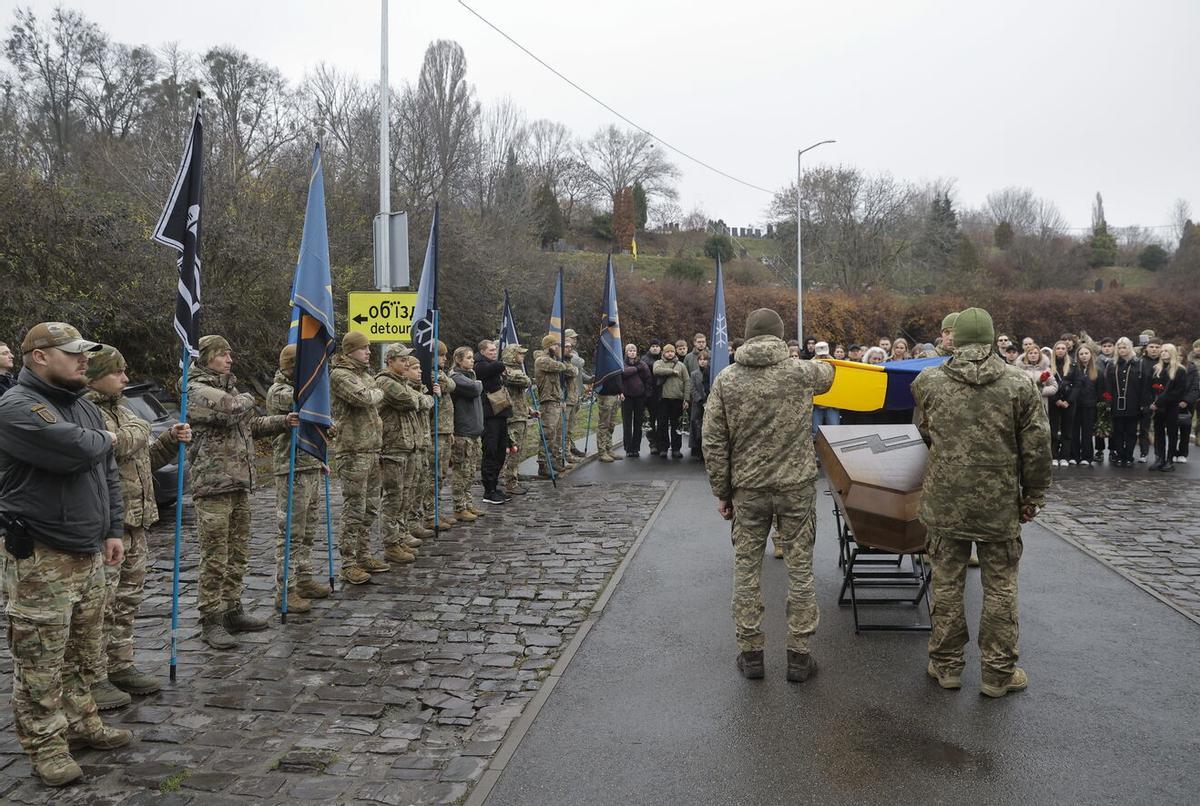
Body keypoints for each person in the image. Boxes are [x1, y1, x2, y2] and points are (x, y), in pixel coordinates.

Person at [0, 322, 131, 786]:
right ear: (39, 356)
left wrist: (113, 528)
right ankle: (46, 745)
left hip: (89, 548)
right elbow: (73, 450)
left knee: (84, 651)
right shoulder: (17, 407)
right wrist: (109, 439)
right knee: (40, 660)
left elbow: (108, 473)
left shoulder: (81, 405)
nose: (83, 361)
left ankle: (83, 720)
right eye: (73, 353)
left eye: (84, 354)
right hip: (41, 554)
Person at [911, 307, 1051, 698]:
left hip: (945, 502)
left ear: (954, 338)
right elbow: (1037, 447)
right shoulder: (1018, 385)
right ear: (992, 340)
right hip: (999, 503)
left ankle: (946, 665)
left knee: (947, 584)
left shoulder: (929, 382)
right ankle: (998, 673)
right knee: (1001, 588)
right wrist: (1033, 495)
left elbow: (926, 432)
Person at [703, 308, 834, 682]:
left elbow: (712, 440)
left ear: (746, 335)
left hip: (749, 489)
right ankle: (799, 655)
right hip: (796, 486)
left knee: (746, 568)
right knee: (801, 569)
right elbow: (828, 373)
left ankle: (751, 653)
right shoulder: (800, 372)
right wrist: (819, 356)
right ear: (780, 336)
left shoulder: (727, 379)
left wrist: (722, 491)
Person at [85, 346, 190, 706]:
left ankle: (120, 663)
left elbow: (143, 457)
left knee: (128, 600)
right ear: (95, 375)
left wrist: (167, 441)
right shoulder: (88, 411)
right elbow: (113, 448)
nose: (126, 379)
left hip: (137, 520)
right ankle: (94, 674)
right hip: (108, 524)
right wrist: (142, 431)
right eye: (118, 373)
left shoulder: (124, 410)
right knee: (102, 604)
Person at [187, 335, 293, 646]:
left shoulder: (226, 388)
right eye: (222, 354)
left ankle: (232, 608)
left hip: (238, 483)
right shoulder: (194, 391)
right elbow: (233, 410)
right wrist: (246, 398)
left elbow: (250, 425)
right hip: (213, 486)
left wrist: (283, 421)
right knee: (215, 557)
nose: (229, 359)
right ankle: (211, 618)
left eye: (230, 353)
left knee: (238, 553)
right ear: (206, 358)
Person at [267, 345, 334, 616]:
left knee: (308, 530)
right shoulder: (280, 391)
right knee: (291, 532)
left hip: (311, 464)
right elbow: (304, 403)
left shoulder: (307, 386)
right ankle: (286, 589)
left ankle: (304, 577)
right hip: (291, 467)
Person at [330, 331, 388, 586]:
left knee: (370, 507)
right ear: (349, 351)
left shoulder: (365, 375)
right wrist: (376, 390)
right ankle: (348, 563)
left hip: (372, 448)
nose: (368, 352)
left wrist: (374, 389)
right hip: (353, 450)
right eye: (363, 348)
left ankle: (364, 555)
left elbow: (372, 393)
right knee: (354, 508)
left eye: (368, 348)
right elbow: (364, 397)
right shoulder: (340, 375)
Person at [374, 343, 423, 565]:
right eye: (402, 360)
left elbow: (418, 400)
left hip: (408, 444)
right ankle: (391, 543)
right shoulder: (385, 382)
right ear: (390, 361)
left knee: (406, 495)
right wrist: (418, 397)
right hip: (393, 446)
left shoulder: (401, 382)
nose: (405, 363)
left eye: (407, 360)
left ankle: (400, 535)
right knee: (393, 497)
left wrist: (418, 397)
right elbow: (409, 401)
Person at [449, 346, 488, 514]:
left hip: (475, 431)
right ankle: (459, 506)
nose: (473, 360)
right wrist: (478, 383)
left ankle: (468, 502)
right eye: (469, 358)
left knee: (471, 472)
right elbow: (475, 389)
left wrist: (476, 382)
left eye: (472, 357)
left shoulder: (471, 375)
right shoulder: (456, 377)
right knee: (461, 472)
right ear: (459, 360)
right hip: (463, 432)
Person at [474, 339, 511, 503]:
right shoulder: (480, 365)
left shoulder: (493, 365)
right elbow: (493, 368)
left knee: (501, 451)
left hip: (500, 412)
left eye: (495, 350)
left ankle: (495, 486)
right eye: (490, 350)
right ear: (482, 352)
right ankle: (489, 490)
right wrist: (502, 364)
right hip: (489, 415)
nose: (494, 352)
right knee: (490, 451)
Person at [424, 341, 456, 530]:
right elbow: (450, 385)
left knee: (441, 474)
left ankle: (436, 510)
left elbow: (450, 385)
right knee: (433, 475)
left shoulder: (440, 373)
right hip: (434, 430)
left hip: (444, 429)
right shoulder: (432, 374)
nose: (445, 359)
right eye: (441, 355)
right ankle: (429, 513)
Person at [500, 344, 536, 495]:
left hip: (520, 413)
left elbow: (518, 396)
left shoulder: (516, 371)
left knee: (519, 449)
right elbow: (526, 382)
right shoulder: (508, 371)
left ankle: (513, 475)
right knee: (514, 449)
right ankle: (509, 481)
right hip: (513, 417)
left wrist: (529, 410)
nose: (522, 356)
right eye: (519, 354)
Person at [1148, 343, 1189, 472]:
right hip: (1158, 408)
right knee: (1158, 433)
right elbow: (1150, 387)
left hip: (1172, 407)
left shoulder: (1180, 370)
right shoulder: (1156, 369)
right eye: (1162, 350)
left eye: (1166, 351)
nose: (1163, 353)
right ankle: (1159, 458)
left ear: (1172, 353)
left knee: (1172, 434)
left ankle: (1170, 460)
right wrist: (1152, 402)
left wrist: (1159, 402)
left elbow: (1178, 392)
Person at [1104, 337, 1144, 467]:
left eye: (1124, 347)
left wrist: (1143, 403)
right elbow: (1108, 385)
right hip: (1116, 402)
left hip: (1133, 402)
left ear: (1130, 348)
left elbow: (1143, 385)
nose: (1122, 350)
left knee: (1131, 431)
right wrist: (1108, 402)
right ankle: (1120, 454)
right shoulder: (1112, 364)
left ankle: (1129, 455)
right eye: (1119, 348)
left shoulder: (1138, 363)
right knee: (1118, 430)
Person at [534, 335, 568, 475]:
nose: (557, 348)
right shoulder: (542, 360)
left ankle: (552, 461)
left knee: (555, 434)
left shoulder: (551, 359)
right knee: (547, 434)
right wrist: (561, 359)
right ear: (549, 346)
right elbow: (561, 366)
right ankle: (543, 464)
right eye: (555, 345)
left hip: (555, 401)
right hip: (547, 402)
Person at [653, 342, 691, 459]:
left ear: (675, 353)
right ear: (663, 353)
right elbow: (656, 371)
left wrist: (686, 399)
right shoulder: (658, 363)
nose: (670, 354)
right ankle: (663, 448)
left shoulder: (681, 365)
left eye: (672, 352)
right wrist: (671, 372)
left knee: (676, 425)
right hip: (663, 399)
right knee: (662, 425)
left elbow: (687, 382)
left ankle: (676, 449)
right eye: (667, 352)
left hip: (677, 399)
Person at [1068, 345, 1099, 466]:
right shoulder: (1074, 369)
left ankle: (1087, 456)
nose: (1084, 356)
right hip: (1076, 404)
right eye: (1081, 354)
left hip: (1090, 405)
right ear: (1078, 356)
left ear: (1091, 354)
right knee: (1074, 431)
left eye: (1086, 353)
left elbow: (1100, 388)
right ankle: (1074, 455)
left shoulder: (1097, 369)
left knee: (1087, 432)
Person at [1048, 341, 1077, 466]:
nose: (1060, 350)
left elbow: (1078, 384)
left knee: (1067, 430)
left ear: (1066, 350)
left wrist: (1068, 401)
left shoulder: (1073, 365)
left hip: (1069, 401)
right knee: (1053, 429)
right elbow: (1047, 384)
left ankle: (1065, 455)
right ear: (1054, 350)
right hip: (1054, 401)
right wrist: (1056, 400)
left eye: (1063, 348)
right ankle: (1054, 455)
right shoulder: (1049, 365)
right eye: (1058, 348)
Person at [620, 343, 650, 457]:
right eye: (630, 350)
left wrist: (646, 394)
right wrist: (636, 368)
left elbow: (648, 379)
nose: (632, 352)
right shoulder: (622, 364)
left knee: (638, 423)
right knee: (627, 423)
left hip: (639, 397)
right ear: (626, 352)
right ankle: (628, 448)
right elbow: (623, 374)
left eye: (634, 350)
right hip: (626, 397)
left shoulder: (643, 364)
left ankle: (636, 448)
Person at [564, 330, 590, 459]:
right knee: (567, 423)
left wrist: (589, 378)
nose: (575, 340)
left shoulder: (574, 353)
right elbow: (579, 363)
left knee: (572, 423)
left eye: (575, 337)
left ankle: (570, 446)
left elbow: (580, 372)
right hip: (568, 394)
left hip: (577, 392)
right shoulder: (567, 354)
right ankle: (567, 449)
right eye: (572, 337)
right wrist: (578, 358)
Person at [1136, 338, 1162, 462]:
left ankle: (1159, 453)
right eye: (1151, 347)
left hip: (1161, 400)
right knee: (1144, 429)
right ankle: (1143, 453)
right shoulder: (1140, 362)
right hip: (1145, 400)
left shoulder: (1164, 363)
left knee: (1159, 429)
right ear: (1146, 348)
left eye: (1157, 347)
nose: (1154, 350)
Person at [810, 342, 840, 438]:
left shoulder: (837, 365)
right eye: (820, 354)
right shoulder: (809, 365)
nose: (822, 356)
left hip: (832, 405)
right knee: (815, 432)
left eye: (824, 354)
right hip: (816, 405)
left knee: (834, 431)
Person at [1018, 341, 1057, 413]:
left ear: (1039, 355)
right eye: (1030, 353)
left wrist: (1040, 391)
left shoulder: (1046, 370)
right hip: (1025, 404)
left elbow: (1054, 387)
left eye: (1035, 353)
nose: (1033, 355)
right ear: (1027, 355)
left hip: (1042, 405)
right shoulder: (1020, 370)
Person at [641, 339, 663, 455]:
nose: (655, 348)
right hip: (649, 396)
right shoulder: (644, 360)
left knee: (661, 421)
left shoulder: (663, 359)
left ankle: (661, 444)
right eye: (653, 346)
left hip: (662, 395)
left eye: (657, 346)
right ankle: (653, 443)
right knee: (651, 421)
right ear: (650, 348)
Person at [688, 349, 710, 459]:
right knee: (696, 425)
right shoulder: (694, 374)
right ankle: (696, 449)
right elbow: (692, 388)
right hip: (698, 403)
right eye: (700, 360)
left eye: (704, 359)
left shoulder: (711, 372)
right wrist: (700, 400)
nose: (702, 362)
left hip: (709, 403)